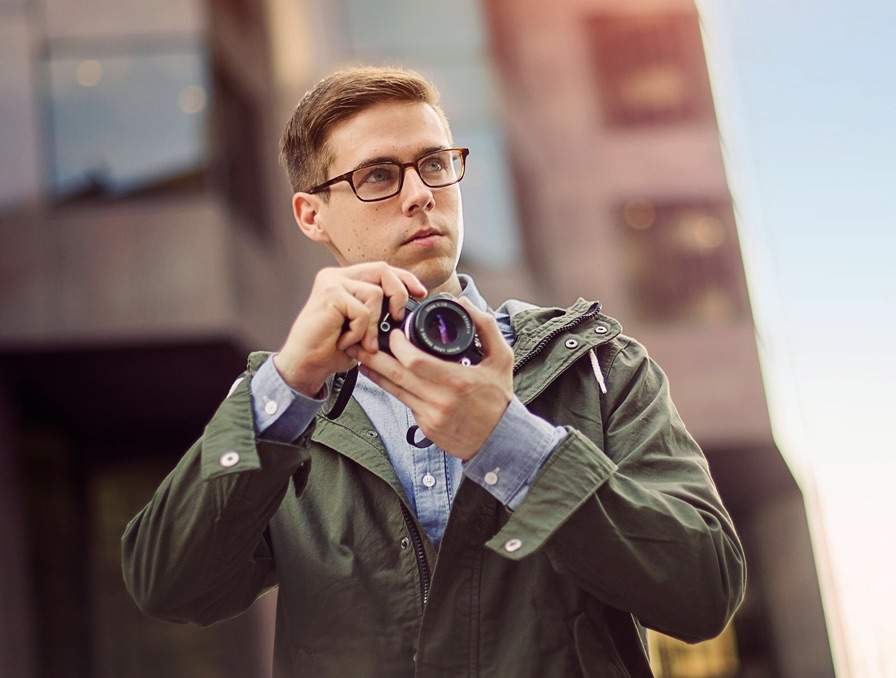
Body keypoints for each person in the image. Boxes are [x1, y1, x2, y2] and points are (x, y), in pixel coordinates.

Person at [121, 65, 747, 678]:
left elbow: (704, 592)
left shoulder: (599, 366)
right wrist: (287, 385)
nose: (420, 192)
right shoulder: (283, 402)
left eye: (435, 164)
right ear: (313, 216)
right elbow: (167, 585)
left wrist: (508, 441)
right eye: (379, 175)